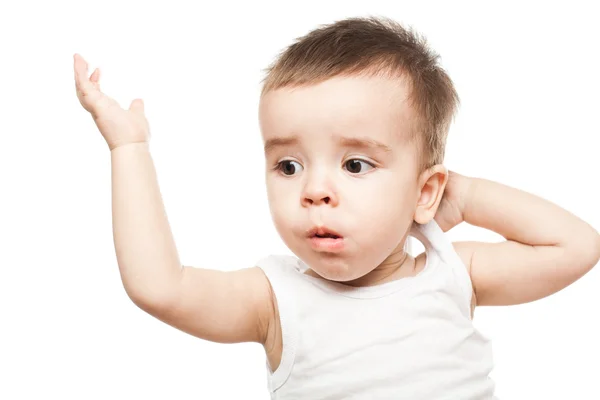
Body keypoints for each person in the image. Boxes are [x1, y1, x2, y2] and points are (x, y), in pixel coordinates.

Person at [73, 16, 600, 399]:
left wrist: (462, 195)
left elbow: (576, 246)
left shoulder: (454, 274)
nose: (315, 191)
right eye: (288, 166)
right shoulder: (275, 300)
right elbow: (159, 286)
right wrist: (129, 149)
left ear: (424, 192)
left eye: (354, 166)